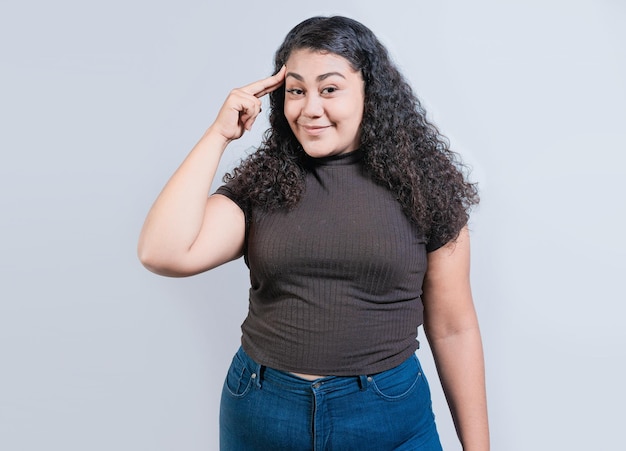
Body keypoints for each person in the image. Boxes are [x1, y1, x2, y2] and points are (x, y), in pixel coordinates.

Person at [138, 15, 489, 451]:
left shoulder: (425, 189)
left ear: (369, 94)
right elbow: (162, 251)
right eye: (296, 90)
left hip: (385, 414)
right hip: (264, 412)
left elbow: (454, 327)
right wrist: (219, 133)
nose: (309, 108)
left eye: (329, 89)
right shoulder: (263, 186)